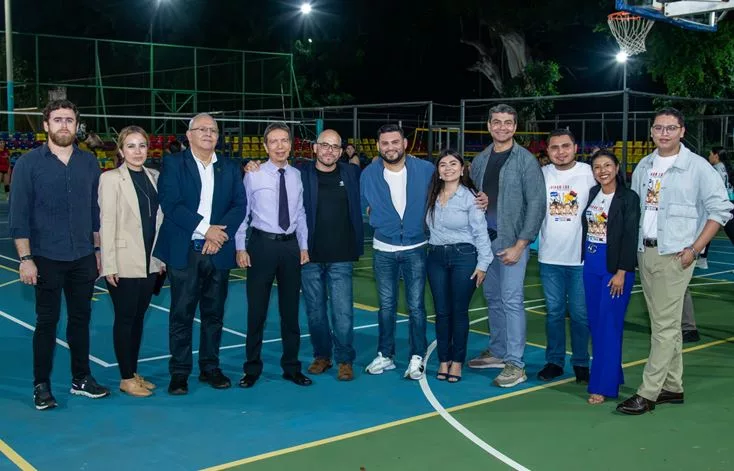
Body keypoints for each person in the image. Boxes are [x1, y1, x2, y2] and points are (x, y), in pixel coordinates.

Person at [617, 108, 733, 415]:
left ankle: (648, 392)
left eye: (671, 128)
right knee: (663, 323)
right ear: (651, 131)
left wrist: (695, 249)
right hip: (646, 252)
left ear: (682, 131)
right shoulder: (644, 165)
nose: (664, 133)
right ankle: (672, 386)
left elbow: (721, 210)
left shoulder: (698, 167)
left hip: (675, 255)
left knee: (665, 326)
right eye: (659, 128)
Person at [9, 99, 110, 410]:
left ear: (76, 125)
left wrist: (97, 250)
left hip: (82, 256)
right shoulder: (28, 164)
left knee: (81, 320)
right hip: (46, 257)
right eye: (57, 120)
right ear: (46, 125)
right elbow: (19, 215)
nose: (64, 125)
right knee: (47, 322)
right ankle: (41, 385)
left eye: (69, 120)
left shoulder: (89, 162)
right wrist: (25, 259)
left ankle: (81, 379)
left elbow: (95, 212)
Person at [242, 129, 364, 381]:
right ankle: (322, 356)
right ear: (315, 148)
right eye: (325, 145)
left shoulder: (351, 173)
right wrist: (247, 163)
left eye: (335, 146)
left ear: (341, 151)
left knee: (342, 312)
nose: (329, 151)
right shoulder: (302, 172)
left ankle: (344, 359)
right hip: (307, 256)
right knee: (314, 312)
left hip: (340, 254)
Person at [153, 113, 247, 395]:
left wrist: (219, 237)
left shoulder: (230, 167)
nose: (208, 133)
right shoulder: (173, 164)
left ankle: (210, 367)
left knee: (214, 315)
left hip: (218, 251)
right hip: (185, 252)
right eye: (202, 129)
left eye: (213, 130)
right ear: (189, 135)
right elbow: (171, 204)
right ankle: (179, 372)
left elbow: (239, 206)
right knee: (181, 315)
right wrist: (207, 230)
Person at [467, 104, 546, 388]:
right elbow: (473, 198)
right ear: (489, 126)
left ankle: (516, 364)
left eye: (508, 122)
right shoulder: (480, 160)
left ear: (515, 127)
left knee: (512, 301)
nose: (502, 127)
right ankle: (498, 351)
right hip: (486, 244)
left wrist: (521, 245)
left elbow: (537, 204)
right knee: (493, 299)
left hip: (512, 244)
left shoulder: (526, 160)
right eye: (497, 122)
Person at [235, 122, 312, 388]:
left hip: (290, 247)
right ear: (266, 146)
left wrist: (303, 246)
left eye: (284, 140)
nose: (280, 146)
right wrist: (240, 247)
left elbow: (300, 213)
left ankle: (292, 367)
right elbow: (243, 213)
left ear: (290, 144)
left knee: (290, 312)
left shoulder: (296, 175)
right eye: (274, 141)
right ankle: (251, 369)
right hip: (262, 246)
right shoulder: (253, 174)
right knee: (257, 311)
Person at [360, 124, 434, 380]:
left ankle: (417, 356)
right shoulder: (368, 174)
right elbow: (363, 204)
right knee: (386, 306)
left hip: (416, 247)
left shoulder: (426, 170)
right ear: (378, 146)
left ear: (404, 143)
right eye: (385, 143)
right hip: (383, 249)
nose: (390, 147)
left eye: (395, 142)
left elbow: (449, 189)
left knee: (416, 306)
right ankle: (386, 355)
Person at [99, 126, 165, 397]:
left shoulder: (155, 177)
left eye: (142, 145)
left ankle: (133, 371)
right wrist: (109, 264)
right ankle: (126, 378)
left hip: (150, 261)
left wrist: (161, 258)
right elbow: (107, 223)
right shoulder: (110, 179)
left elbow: (159, 222)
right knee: (125, 319)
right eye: (131, 146)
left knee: (138, 319)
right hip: (124, 261)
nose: (137, 151)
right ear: (121, 150)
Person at [425, 149, 492, 383]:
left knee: (459, 312)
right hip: (435, 258)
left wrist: (483, 264)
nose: (448, 168)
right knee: (442, 312)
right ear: (438, 171)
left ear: (462, 169)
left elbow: (481, 232)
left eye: (453, 164)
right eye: (443, 164)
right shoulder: (431, 195)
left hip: (464, 257)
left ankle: (457, 362)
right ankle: (443, 359)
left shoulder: (471, 197)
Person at [536, 129, 596, 383]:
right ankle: (555, 361)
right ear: (547, 151)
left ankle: (581, 362)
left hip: (581, 259)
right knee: (554, 313)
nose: (560, 152)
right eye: (554, 147)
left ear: (575, 148)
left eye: (565, 146)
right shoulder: (540, 174)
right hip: (549, 258)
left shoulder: (590, 173)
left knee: (580, 314)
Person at [582, 150, 640, 405]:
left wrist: (622, 272)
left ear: (617, 168)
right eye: (597, 167)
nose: (602, 170)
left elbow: (630, 236)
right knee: (596, 324)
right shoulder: (593, 193)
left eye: (607, 165)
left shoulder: (629, 198)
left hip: (614, 269)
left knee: (609, 326)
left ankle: (601, 385)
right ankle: (612, 375)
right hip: (591, 265)